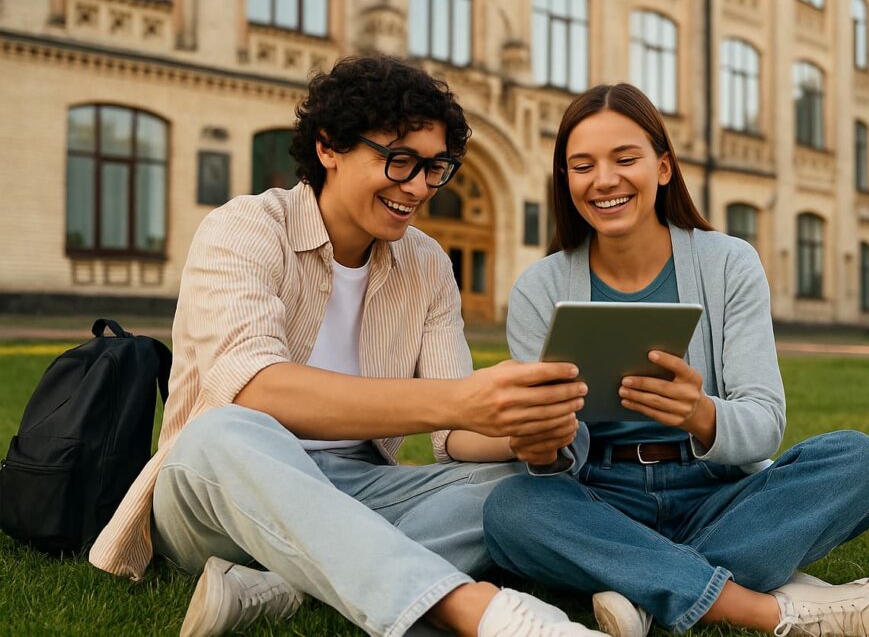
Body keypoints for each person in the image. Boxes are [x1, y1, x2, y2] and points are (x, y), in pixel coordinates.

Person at [88, 55, 605, 637]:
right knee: (225, 429)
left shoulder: (428, 264)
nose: (417, 188)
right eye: (399, 160)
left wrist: (523, 428)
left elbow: (451, 438)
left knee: (528, 479)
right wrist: (461, 399)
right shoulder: (246, 227)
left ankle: (284, 585)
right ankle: (476, 612)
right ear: (329, 146)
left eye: (436, 168)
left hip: (357, 487)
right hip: (220, 487)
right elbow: (259, 389)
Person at [437, 83, 869, 637]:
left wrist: (699, 413)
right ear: (565, 180)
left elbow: (765, 424)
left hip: (716, 490)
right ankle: (751, 600)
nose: (604, 180)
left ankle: (640, 587)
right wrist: (542, 446)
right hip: (601, 496)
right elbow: (556, 458)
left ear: (663, 167)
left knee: (860, 463)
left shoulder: (729, 263)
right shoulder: (539, 288)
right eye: (582, 165)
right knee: (514, 510)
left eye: (626, 159)